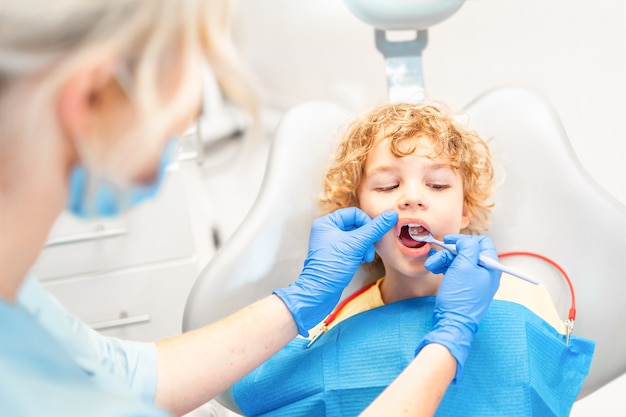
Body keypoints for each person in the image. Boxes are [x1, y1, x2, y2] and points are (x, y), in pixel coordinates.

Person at [0, 2, 502, 416]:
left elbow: (119, 375)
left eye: (437, 183)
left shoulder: (20, 309)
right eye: (193, 77)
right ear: (89, 96)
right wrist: (449, 341)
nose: (191, 118)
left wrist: (299, 301)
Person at [230, 102, 594, 416]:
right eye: (388, 186)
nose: (412, 198)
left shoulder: (524, 299)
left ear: (465, 211)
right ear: (357, 214)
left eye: (436, 185)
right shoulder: (341, 325)